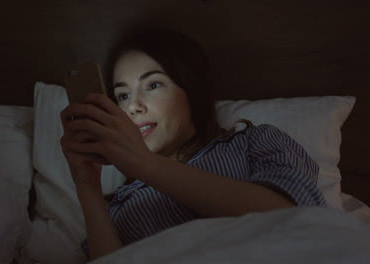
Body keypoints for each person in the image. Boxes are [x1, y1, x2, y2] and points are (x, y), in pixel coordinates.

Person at [59, 27, 327, 261]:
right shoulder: (121, 206)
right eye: (122, 95)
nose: (132, 106)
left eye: (152, 85)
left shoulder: (254, 142)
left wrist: (144, 163)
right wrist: (88, 187)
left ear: (192, 91)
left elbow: (293, 221)